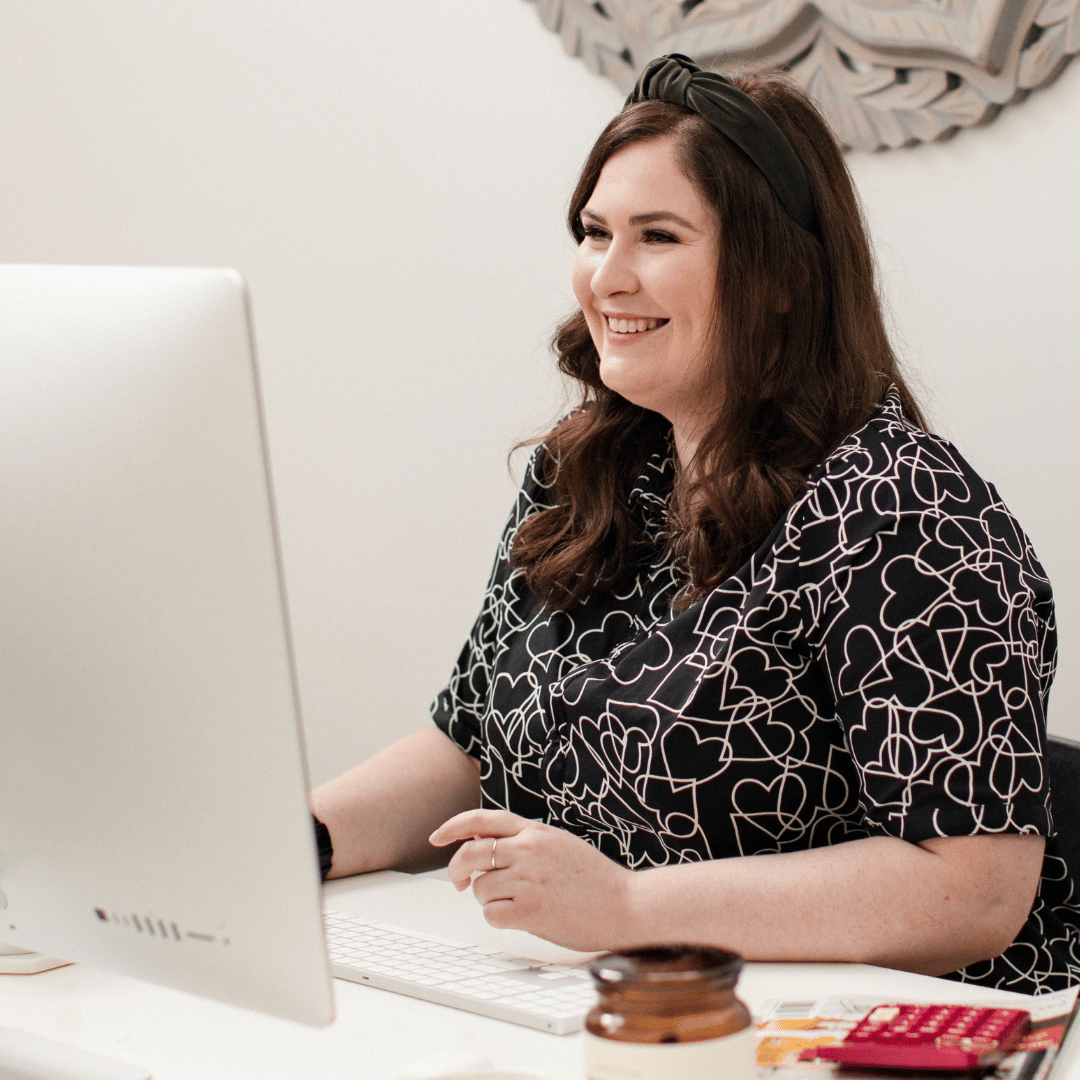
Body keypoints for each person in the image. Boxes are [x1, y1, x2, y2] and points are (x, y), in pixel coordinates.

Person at [310, 54, 1076, 994]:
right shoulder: (583, 470)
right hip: (618, 1006)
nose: (608, 278)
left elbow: (973, 893)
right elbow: (473, 741)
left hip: (872, 1036)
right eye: (595, 233)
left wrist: (627, 907)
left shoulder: (905, 509)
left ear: (784, 278)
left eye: (659, 237)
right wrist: (294, 844)